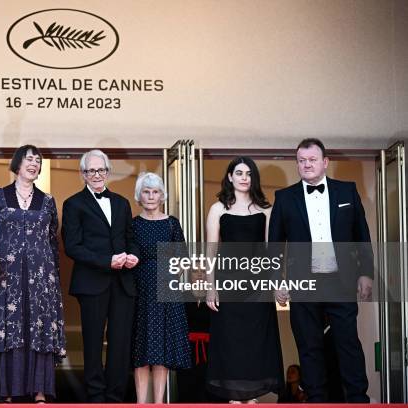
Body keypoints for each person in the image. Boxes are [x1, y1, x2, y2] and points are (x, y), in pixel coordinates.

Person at [269, 138, 373, 403]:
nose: (307, 165)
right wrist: (276, 281)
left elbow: (362, 236)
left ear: (325, 162)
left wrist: (366, 272)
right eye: (302, 161)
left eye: (312, 159)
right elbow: (275, 245)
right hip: (303, 283)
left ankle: (358, 398)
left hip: (342, 279)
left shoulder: (347, 191)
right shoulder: (284, 197)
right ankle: (317, 400)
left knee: (347, 341)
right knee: (309, 344)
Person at [0, 145, 66, 403]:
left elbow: (52, 243)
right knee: (10, 328)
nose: (34, 164)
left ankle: (39, 392)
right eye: (29, 159)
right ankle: (6, 391)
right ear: (17, 164)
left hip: (41, 278)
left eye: (38, 161)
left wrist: (54, 282)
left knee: (37, 329)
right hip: (6, 277)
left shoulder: (47, 200)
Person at [61, 149, 140, 403]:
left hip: (123, 283)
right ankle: (96, 397)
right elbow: (73, 246)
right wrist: (107, 261)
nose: (97, 175)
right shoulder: (73, 204)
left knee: (120, 343)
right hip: (92, 283)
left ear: (108, 171)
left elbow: (130, 238)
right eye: (91, 171)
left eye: (101, 170)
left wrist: (133, 255)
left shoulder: (121, 202)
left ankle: (116, 396)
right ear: (83, 174)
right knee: (93, 344)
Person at [204, 156, 284, 403]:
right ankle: (234, 397)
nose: (244, 178)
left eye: (248, 174)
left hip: (257, 284)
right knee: (230, 341)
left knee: (256, 341)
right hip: (227, 284)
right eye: (239, 173)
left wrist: (278, 282)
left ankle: (252, 397)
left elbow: (273, 251)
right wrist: (210, 286)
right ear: (230, 177)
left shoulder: (266, 209)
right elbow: (210, 251)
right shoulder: (217, 209)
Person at [130, 172, 191, 403]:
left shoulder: (172, 223)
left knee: (161, 351)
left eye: (155, 192)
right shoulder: (133, 224)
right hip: (140, 290)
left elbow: (183, 257)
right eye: (146, 192)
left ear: (162, 195)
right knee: (141, 350)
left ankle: (158, 403)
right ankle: (140, 403)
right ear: (139, 196)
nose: (151, 196)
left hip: (167, 290)